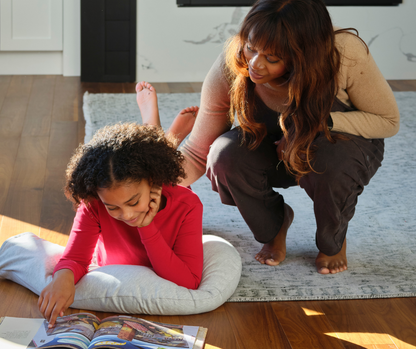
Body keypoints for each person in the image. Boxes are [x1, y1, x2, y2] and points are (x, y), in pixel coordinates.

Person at [175, 0, 400, 275]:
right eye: (251, 47)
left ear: (303, 57)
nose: (254, 64)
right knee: (223, 156)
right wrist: (150, 188)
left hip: (336, 148)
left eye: (272, 58)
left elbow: (388, 121)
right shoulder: (234, 60)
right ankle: (275, 224)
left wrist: (315, 125)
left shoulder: (345, 53)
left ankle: (332, 241)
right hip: (273, 147)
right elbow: (198, 150)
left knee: (332, 163)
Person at [36, 99, 203, 326]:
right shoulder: (94, 203)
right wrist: (62, 277)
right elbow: (75, 257)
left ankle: (164, 138)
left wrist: (147, 227)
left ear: (154, 182)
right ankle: (160, 138)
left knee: (171, 173)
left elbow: (190, 282)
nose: (126, 215)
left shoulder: (187, 205)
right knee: (143, 164)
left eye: (133, 202)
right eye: (112, 207)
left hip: (167, 192)